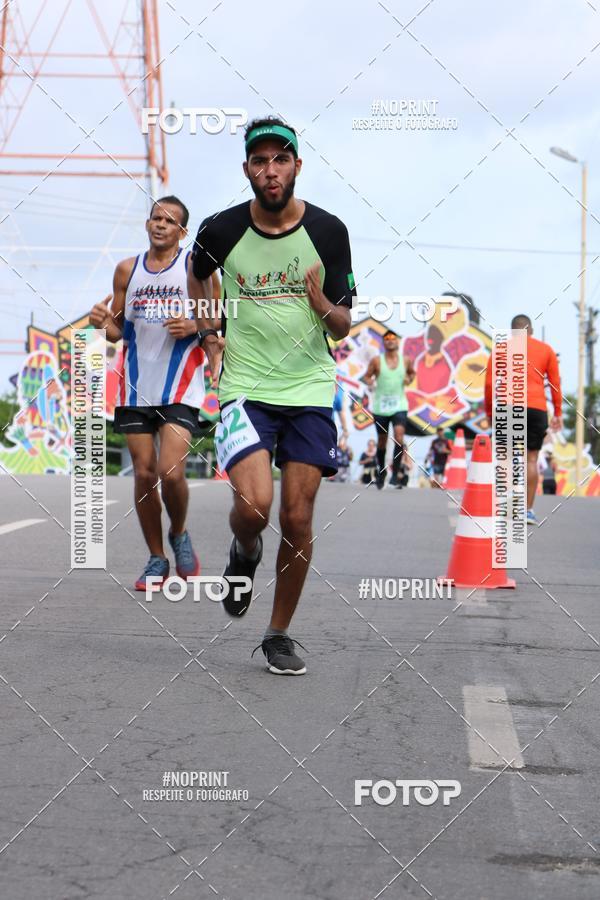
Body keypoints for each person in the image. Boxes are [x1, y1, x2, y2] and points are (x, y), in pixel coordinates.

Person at [188, 116, 355, 675]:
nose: (271, 170)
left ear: (297, 167)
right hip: (244, 388)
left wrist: (320, 304)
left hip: (309, 388)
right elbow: (198, 272)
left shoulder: (329, 233)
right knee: (254, 508)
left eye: (280, 160)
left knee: (299, 517)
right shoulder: (220, 229)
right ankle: (245, 551)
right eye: (260, 161)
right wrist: (211, 333)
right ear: (247, 171)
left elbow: (342, 327)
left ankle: (278, 633)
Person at [89, 196, 209, 590]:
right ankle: (157, 558)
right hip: (135, 385)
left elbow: (222, 317)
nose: (160, 225)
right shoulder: (127, 269)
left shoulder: (196, 267)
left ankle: (180, 532)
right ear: (147, 223)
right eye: (156, 217)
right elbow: (117, 331)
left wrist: (193, 326)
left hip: (181, 385)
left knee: (169, 470)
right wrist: (101, 323)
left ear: (182, 231)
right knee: (143, 474)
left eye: (170, 221)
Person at [485, 314, 562, 524]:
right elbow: (555, 384)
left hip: (509, 406)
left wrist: (490, 412)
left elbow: (490, 384)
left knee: (506, 459)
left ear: (513, 332)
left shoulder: (501, 349)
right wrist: (558, 413)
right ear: (531, 331)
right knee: (531, 459)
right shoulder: (546, 350)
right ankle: (527, 510)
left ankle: (507, 508)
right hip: (536, 408)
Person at [364, 330, 416, 489]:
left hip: (399, 405)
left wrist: (409, 379)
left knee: (399, 437)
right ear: (383, 343)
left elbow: (412, 374)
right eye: (386, 338)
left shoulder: (405, 360)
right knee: (381, 442)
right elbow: (367, 376)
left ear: (397, 342)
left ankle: (395, 474)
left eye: (393, 338)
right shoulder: (376, 361)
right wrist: (370, 382)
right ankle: (381, 472)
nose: (390, 340)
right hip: (380, 407)